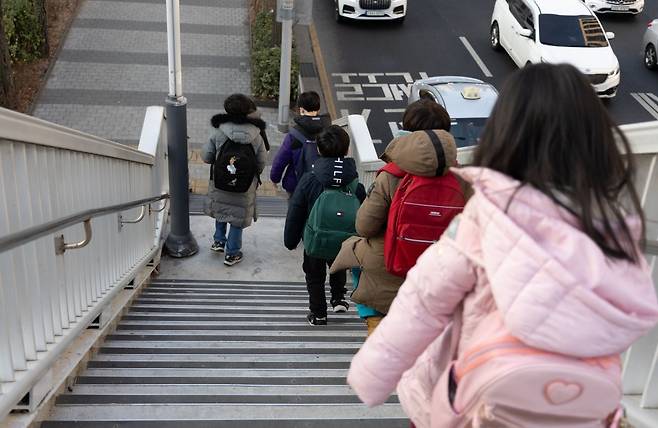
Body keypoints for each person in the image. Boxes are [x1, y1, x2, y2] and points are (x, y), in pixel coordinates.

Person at [346, 64, 658, 427]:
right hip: (581, 406)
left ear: (506, 134)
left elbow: (424, 302)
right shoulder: (614, 228)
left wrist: (372, 376)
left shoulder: (489, 214)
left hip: (486, 399)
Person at [330, 99, 459, 336]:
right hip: (436, 286)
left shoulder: (391, 176)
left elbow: (364, 226)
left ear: (407, 133)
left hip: (387, 283)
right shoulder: (464, 180)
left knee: (382, 359)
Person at [284, 125, 366, 326]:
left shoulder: (309, 180)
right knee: (338, 265)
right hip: (345, 239)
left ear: (319, 150)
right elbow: (366, 213)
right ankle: (338, 298)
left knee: (314, 276)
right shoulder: (355, 184)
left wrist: (290, 240)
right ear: (347, 151)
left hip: (315, 239)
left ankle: (319, 313)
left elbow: (296, 211)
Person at [202, 94, 267, 266]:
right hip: (245, 186)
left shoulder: (218, 131)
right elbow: (261, 163)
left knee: (221, 210)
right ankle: (232, 253)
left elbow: (207, 157)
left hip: (220, 182)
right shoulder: (257, 135)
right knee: (237, 219)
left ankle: (218, 241)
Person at [270, 91, 331, 196]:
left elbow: (281, 159)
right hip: (321, 184)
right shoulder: (329, 131)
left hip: (296, 185)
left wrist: (275, 179)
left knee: (295, 211)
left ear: (301, 109)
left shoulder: (294, 134)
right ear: (318, 109)